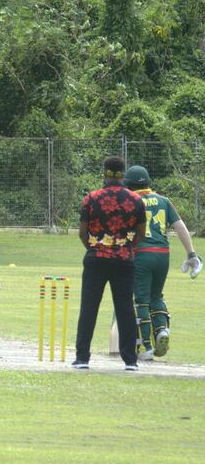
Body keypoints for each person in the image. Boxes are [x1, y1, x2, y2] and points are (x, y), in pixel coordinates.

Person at [74, 156, 146, 371]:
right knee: (124, 308)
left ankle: (82, 358)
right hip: (124, 259)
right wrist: (127, 248)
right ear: (123, 173)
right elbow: (141, 234)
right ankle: (130, 360)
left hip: (96, 258)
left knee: (89, 307)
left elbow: (82, 232)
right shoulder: (135, 200)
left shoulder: (91, 198)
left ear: (104, 172)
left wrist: (95, 247)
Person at [123, 165, 202, 361]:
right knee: (156, 296)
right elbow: (180, 226)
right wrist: (191, 254)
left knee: (141, 299)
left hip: (141, 254)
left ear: (130, 186)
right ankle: (161, 331)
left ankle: (146, 348)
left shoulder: (130, 201)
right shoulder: (164, 200)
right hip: (162, 254)